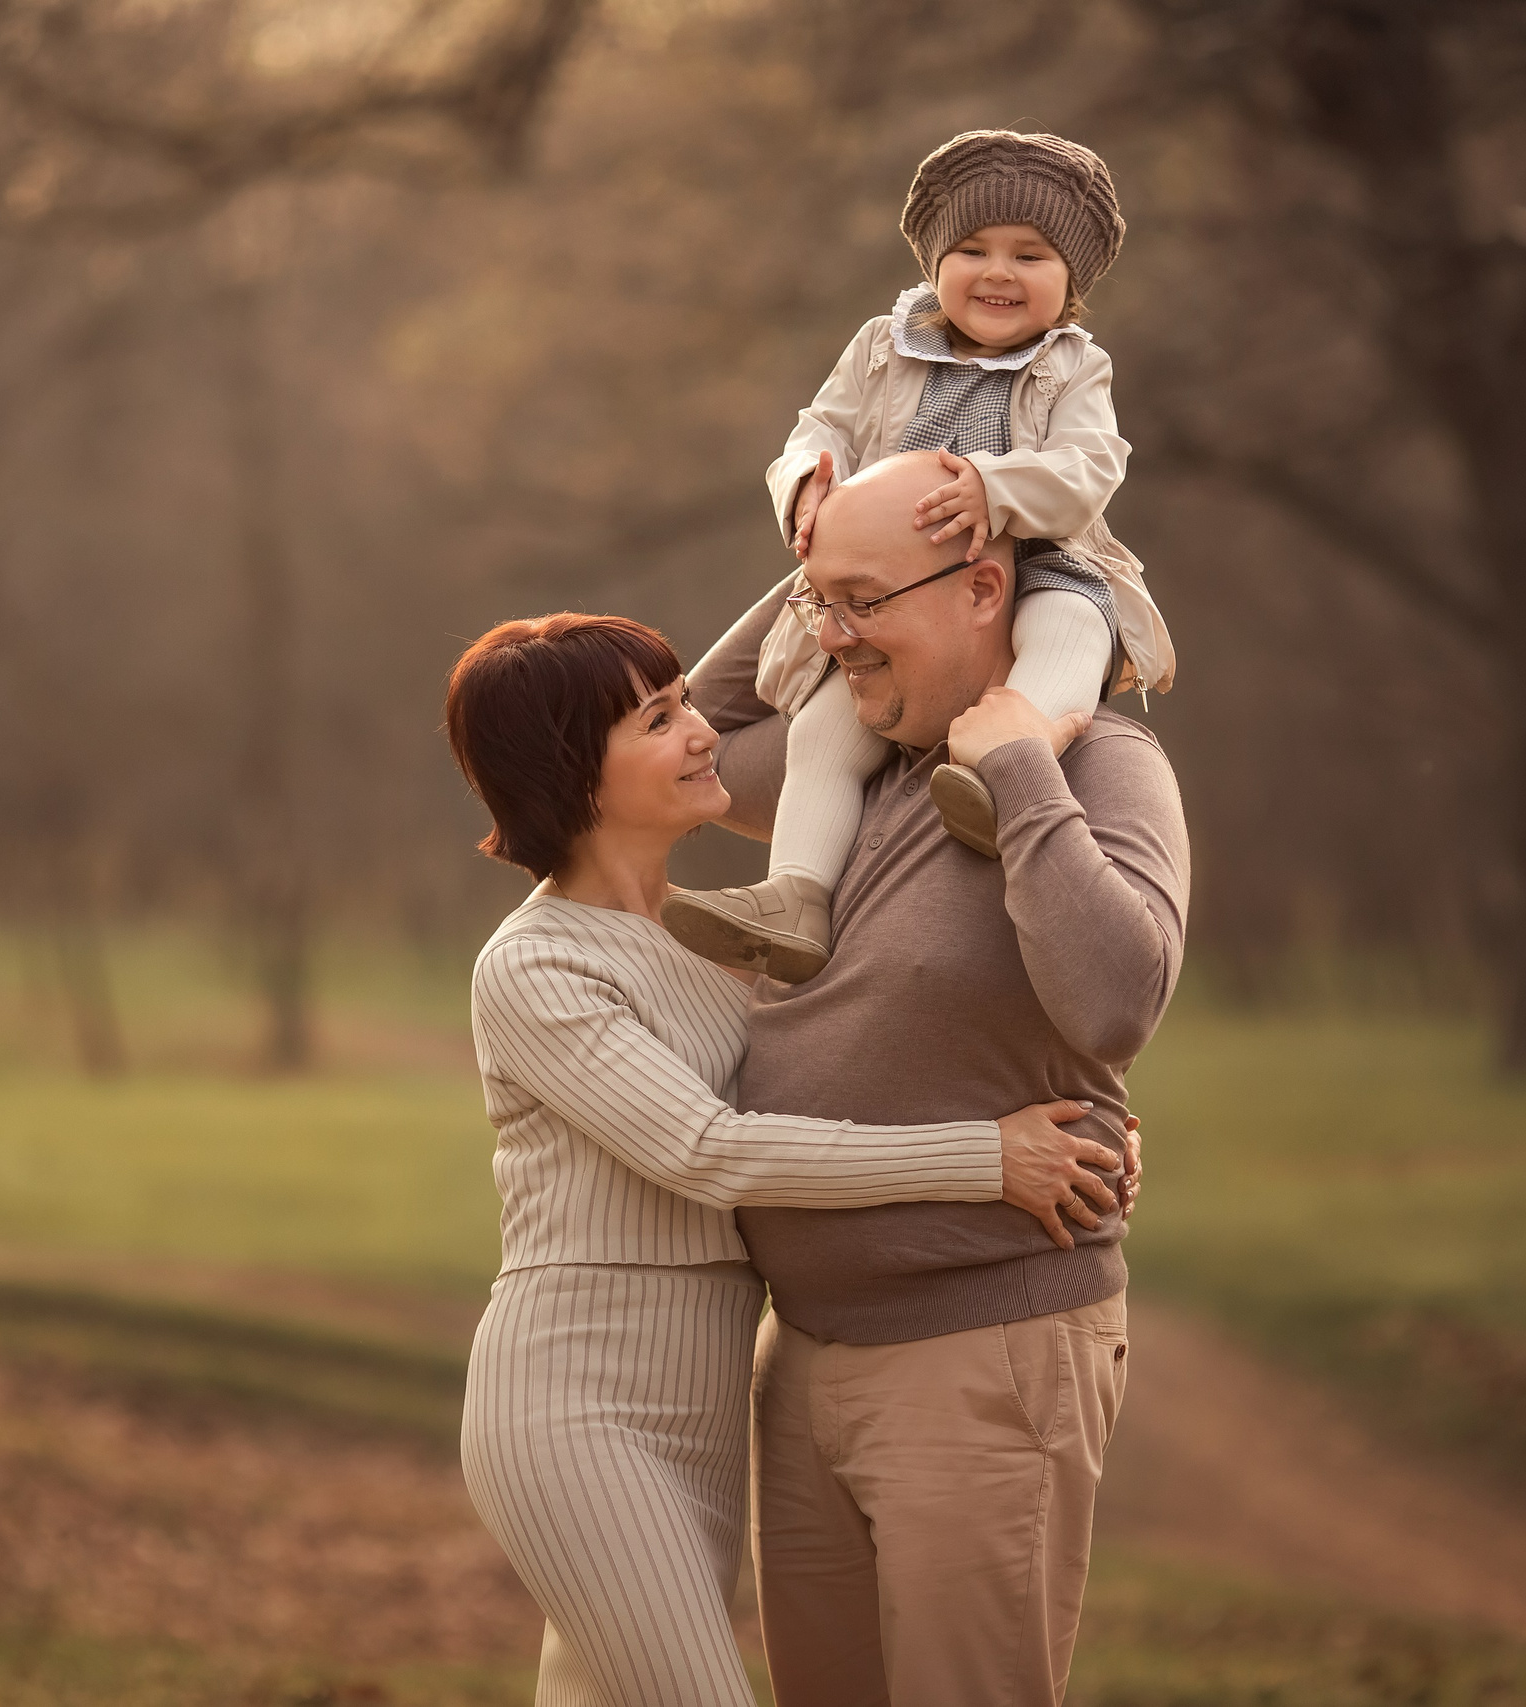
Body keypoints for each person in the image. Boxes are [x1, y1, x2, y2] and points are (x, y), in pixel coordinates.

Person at [442, 612, 1133, 1707]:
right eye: (657, 720)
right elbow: (707, 1150)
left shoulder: (728, 940)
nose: (703, 731)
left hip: (709, 1407)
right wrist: (986, 1157)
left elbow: (849, 1067)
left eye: (682, 701)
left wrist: (837, 533)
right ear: (570, 772)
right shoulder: (535, 965)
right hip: (576, 1410)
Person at [693, 452, 1190, 1705]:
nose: (833, 640)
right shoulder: (848, 758)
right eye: (822, 607)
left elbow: (1117, 1003)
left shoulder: (1103, 767)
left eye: (866, 604)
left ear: (982, 587)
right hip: (800, 1357)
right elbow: (697, 730)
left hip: (981, 1354)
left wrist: (1019, 762)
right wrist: (823, 544)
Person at [664, 129, 1177, 984]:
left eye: (1031, 255)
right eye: (972, 250)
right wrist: (808, 486)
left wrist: (994, 488)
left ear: (1071, 281)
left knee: (1068, 634)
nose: (998, 272)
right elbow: (818, 430)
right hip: (895, 587)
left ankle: (1009, 768)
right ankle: (797, 893)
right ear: (935, 262)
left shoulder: (1073, 366)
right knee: (827, 729)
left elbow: (1091, 468)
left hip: (1039, 558)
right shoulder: (882, 347)